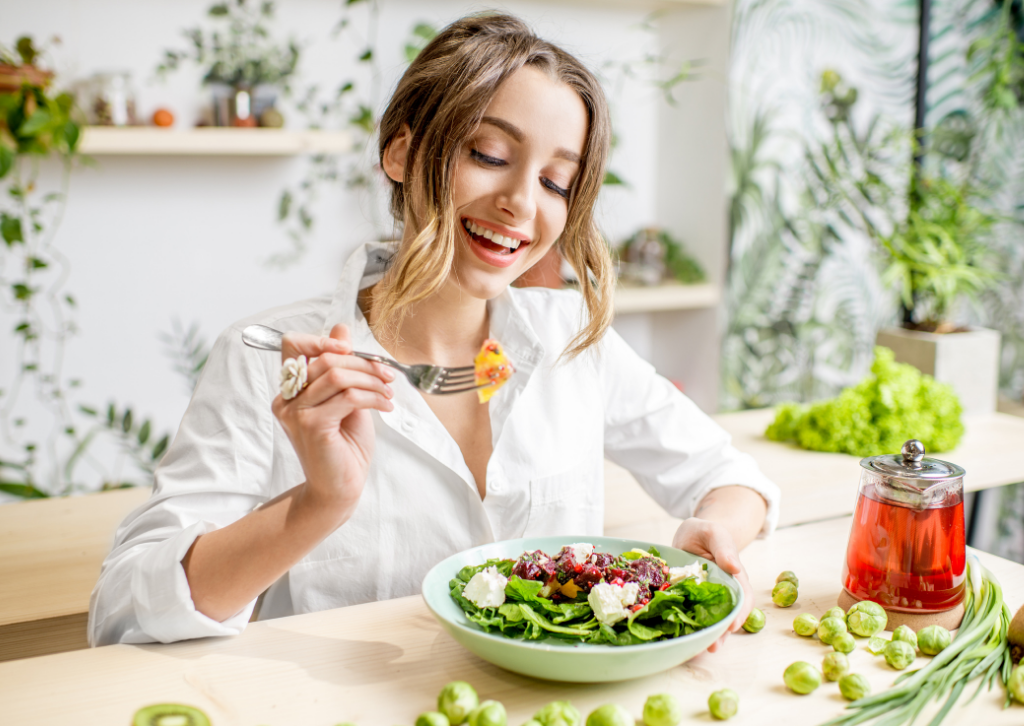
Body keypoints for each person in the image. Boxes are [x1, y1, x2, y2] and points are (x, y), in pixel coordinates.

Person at [88, 13, 779, 649]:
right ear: (401, 155)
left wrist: (714, 534)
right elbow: (123, 612)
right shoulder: (270, 356)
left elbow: (728, 476)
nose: (520, 204)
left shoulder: (573, 339)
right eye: (487, 154)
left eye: (557, 182)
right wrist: (318, 502)